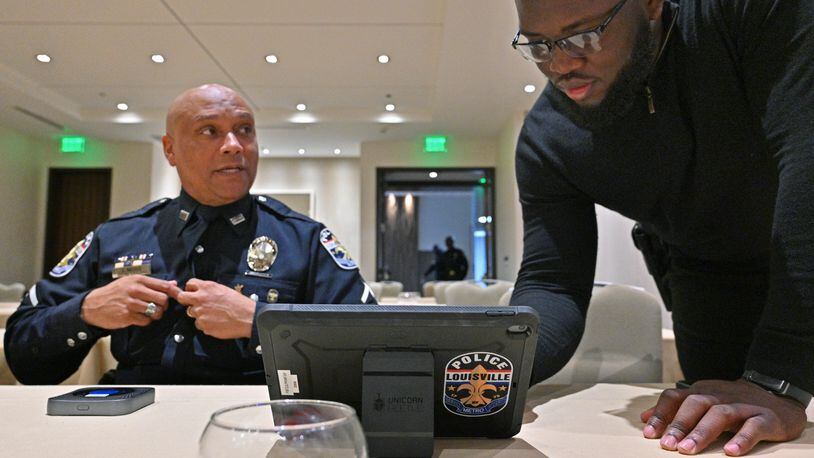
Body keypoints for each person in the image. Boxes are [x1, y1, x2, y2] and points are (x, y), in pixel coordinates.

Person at [511, 0, 812, 455]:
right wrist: (493, 364)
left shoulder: (747, 13)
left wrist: (778, 376)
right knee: (724, 437)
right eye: (538, 45)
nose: (561, 64)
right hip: (705, 275)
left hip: (801, 252)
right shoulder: (549, 139)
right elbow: (552, 284)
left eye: (583, 36)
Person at [3, 84, 376, 385]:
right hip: (134, 423)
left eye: (244, 130)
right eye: (209, 131)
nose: (233, 144)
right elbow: (24, 358)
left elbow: (373, 346)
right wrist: (87, 311)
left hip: (258, 422)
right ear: (170, 150)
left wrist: (262, 323)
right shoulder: (116, 237)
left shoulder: (304, 239)